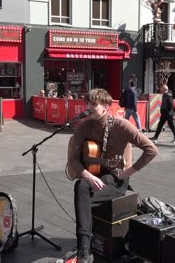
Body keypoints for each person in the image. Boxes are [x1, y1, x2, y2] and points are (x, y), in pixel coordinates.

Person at [68, 88, 158, 263]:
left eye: (93, 104)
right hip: (95, 175)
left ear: (106, 106)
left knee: (83, 196)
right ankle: (84, 250)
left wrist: (129, 171)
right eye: (87, 103)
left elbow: (151, 150)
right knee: (81, 186)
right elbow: (73, 160)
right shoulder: (84, 126)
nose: (88, 107)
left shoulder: (121, 125)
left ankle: (85, 248)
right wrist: (87, 175)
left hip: (116, 180)